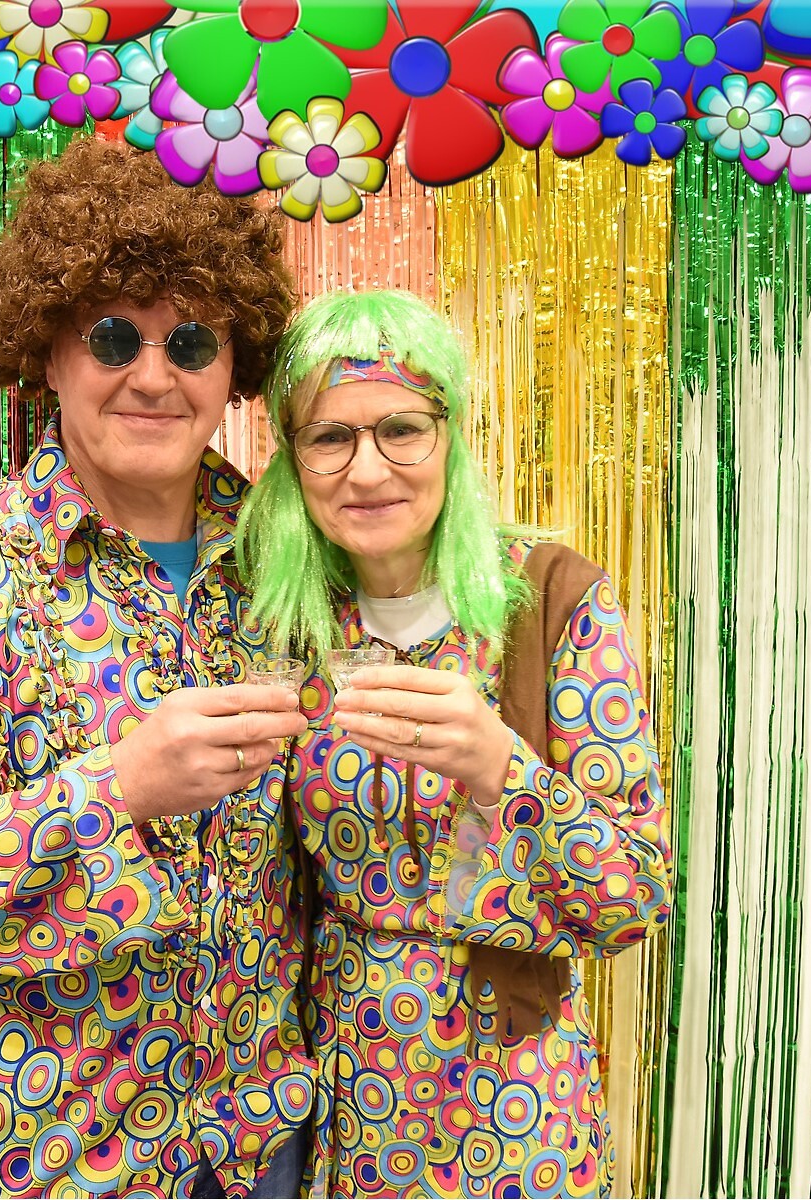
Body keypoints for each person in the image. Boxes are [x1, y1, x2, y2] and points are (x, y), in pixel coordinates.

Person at [0, 136, 314, 1198]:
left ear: (233, 366)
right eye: (113, 337)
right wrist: (114, 791)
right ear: (47, 351)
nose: (155, 376)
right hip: (51, 1156)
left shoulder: (290, 561)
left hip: (258, 1146)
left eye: (192, 342)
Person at [235, 290, 673, 1198]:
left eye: (402, 429)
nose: (367, 470)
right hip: (349, 1096)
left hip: (512, 1101)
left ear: (451, 437)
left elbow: (634, 897)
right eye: (330, 437)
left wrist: (501, 768)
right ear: (291, 459)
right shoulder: (284, 622)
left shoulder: (553, 602)